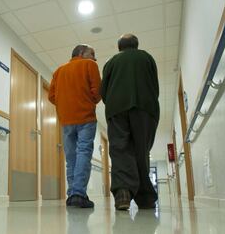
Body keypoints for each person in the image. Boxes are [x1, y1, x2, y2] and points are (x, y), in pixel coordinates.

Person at [100, 34, 160, 210]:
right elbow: (154, 86)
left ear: (119, 47)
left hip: (117, 109)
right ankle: (145, 198)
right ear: (136, 44)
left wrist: (115, 101)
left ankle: (123, 193)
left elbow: (104, 91)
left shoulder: (111, 62)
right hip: (145, 107)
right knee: (141, 150)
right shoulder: (147, 58)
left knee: (120, 149)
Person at [49, 44, 101, 208]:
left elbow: (51, 96)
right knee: (83, 153)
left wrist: (65, 104)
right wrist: (88, 101)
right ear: (81, 53)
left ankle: (72, 194)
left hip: (66, 120)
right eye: (92, 53)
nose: (94, 58)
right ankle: (79, 193)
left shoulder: (58, 71)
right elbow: (98, 92)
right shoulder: (90, 65)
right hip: (85, 117)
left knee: (71, 158)